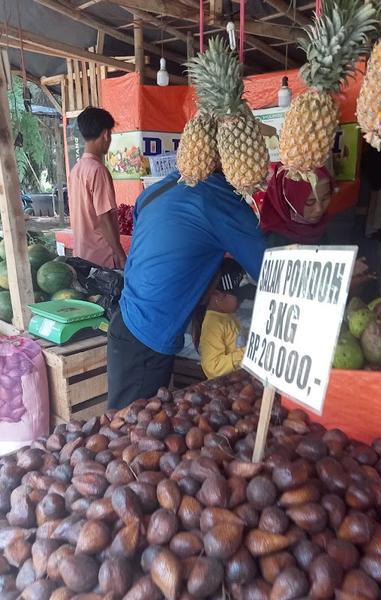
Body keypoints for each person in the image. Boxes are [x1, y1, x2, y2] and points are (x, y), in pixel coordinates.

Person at [107, 170, 266, 410]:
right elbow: (270, 266)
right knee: (131, 433)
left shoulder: (155, 191)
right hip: (146, 339)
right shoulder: (217, 199)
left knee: (133, 426)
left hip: (126, 322)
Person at [68, 107, 126, 269]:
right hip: (102, 258)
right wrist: (121, 255)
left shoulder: (76, 169)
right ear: (106, 134)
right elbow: (104, 218)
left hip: (82, 254)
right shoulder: (98, 170)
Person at [197, 259, 253, 380]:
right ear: (217, 296)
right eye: (239, 297)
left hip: (238, 379)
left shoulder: (228, 315)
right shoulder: (212, 324)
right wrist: (248, 353)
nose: (242, 301)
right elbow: (212, 367)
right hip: (224, 386)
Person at [260, 162, 333, 247]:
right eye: (310, 202)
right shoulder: (275, 241)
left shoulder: (322, 226)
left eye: (325, 198)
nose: (319, 209)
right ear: (289, 201)